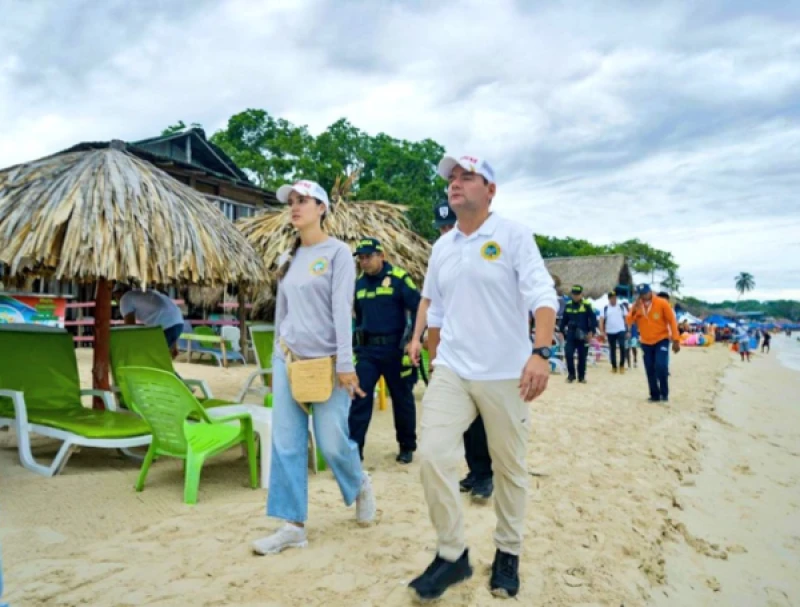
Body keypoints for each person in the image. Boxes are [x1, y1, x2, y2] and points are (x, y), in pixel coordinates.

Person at [407, 154, 558, 600]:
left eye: (466, 176)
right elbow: (435, 308)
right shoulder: (442, 247)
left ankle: (508, 551)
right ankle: (452, 554)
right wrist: (435, 359)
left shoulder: (512, 235)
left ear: (490, 190)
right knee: (432, 455)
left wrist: (541, 353)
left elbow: (542, 295)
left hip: (506, 372)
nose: (455, 183)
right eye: (451, 178)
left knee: (509, 466)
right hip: (453, 368)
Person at [251, 179, 375, 555]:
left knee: (332, 442)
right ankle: (292, 526)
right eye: (291, 200)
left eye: (303, 200)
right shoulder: (288, 257)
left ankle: (359, 483)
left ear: (321, 207)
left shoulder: (338, 253)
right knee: (286, 443)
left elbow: (342, 311)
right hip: (288, 359)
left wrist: (346, 364)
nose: (294, 206)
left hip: (330, 362)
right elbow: (283, 313)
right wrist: (274, 363)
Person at [413, 199, 494, 502]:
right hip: (452, 352)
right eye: (442, 227)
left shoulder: (484, 254)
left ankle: (486, 475)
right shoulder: (440, 257)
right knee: (462, 418)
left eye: (451, 225)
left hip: (482, 351)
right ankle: (475, 471)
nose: (447, 231)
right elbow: (431, 307)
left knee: (482, 417)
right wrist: (431, 356)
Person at [349, 237, 421, 464]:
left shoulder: (399, 278)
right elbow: (358, 316)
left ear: (381, 255)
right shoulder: (359, 283)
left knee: (402, 398)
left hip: (395, 350)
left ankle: (407, 446)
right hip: (367, 352)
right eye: (361, 258)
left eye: (368, 257)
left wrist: (413, 339)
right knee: (360, 398)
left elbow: (419, 308)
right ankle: (354, 450)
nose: (364, 262)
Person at [627, 284, 680, 403]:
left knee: (661, 366)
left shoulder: (662, 303)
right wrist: (634, 309)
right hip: (646, 342)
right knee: (649, 368)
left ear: (650, 292)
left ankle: (664, 393)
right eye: (641, 294)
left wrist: (676, 339)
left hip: (661, 339)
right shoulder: (637, 305)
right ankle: (654, 395)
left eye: (645, 293)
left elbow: (672, 321)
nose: (644, 296)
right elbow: (629, 321)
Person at [112, 284, 185, 358]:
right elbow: (168, 312)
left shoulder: (125, 299)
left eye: (115, 295)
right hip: (179, 323)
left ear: (120, 292)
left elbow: (129, 328)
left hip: (166, 327)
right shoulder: (144, 293)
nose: (115, 299)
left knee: (147, 357)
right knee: (155, 356)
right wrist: (174, 344)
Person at [558, 285, 597, 384]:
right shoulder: (568, 305)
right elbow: (564, 320)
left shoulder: (587, 305)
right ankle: (571, 375)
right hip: (571, 334)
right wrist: (561, 331)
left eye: (577, 294)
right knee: (568, 354)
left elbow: (593, 319)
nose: (575, 296)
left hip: (583, 335)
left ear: (581, 294)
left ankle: (581, 377)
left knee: (582, 357)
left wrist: (592, 332)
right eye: (574, 294)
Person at [599, 290, 629, 374]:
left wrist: (628, 330)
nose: (614, 299)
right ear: (609, 299)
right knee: (612, 349)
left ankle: (622, 365)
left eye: (615, 298)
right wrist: (601, 331)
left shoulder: (621, 307)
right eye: (612, 298)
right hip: (610, 331)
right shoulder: (605, 308)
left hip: (621, 330)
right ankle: (614, 366)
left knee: (622, 346)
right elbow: (601, 321)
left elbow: (627, 319)